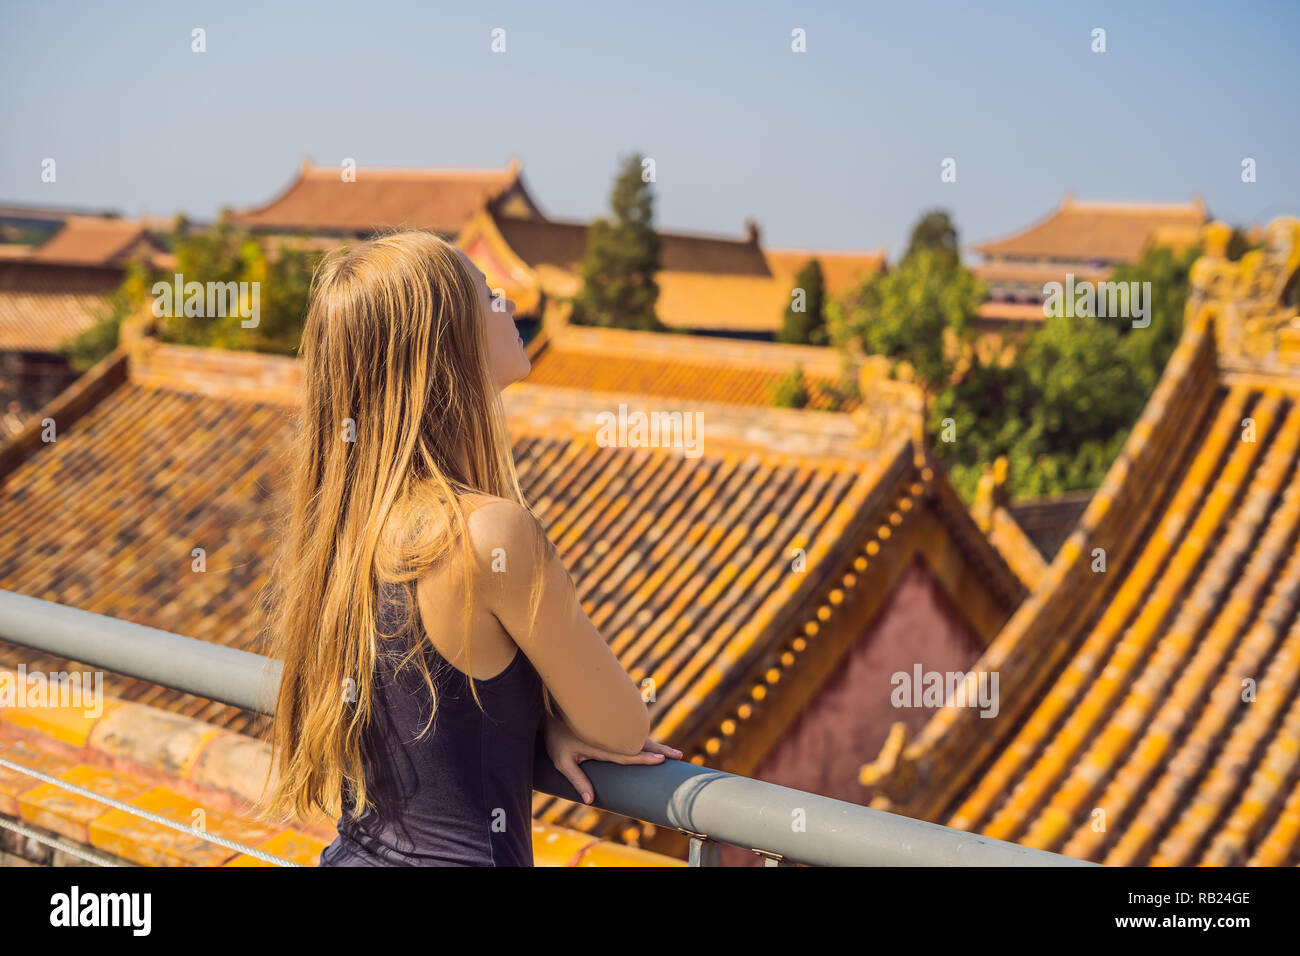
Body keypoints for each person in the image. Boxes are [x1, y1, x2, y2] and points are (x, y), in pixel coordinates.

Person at [255, 230, 679, 865]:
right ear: (446, 342)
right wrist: (558, 722)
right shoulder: (488, 533)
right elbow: (622, 726)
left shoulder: (349, 528)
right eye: (486, 293)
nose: (506, 297)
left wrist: (532, 721)